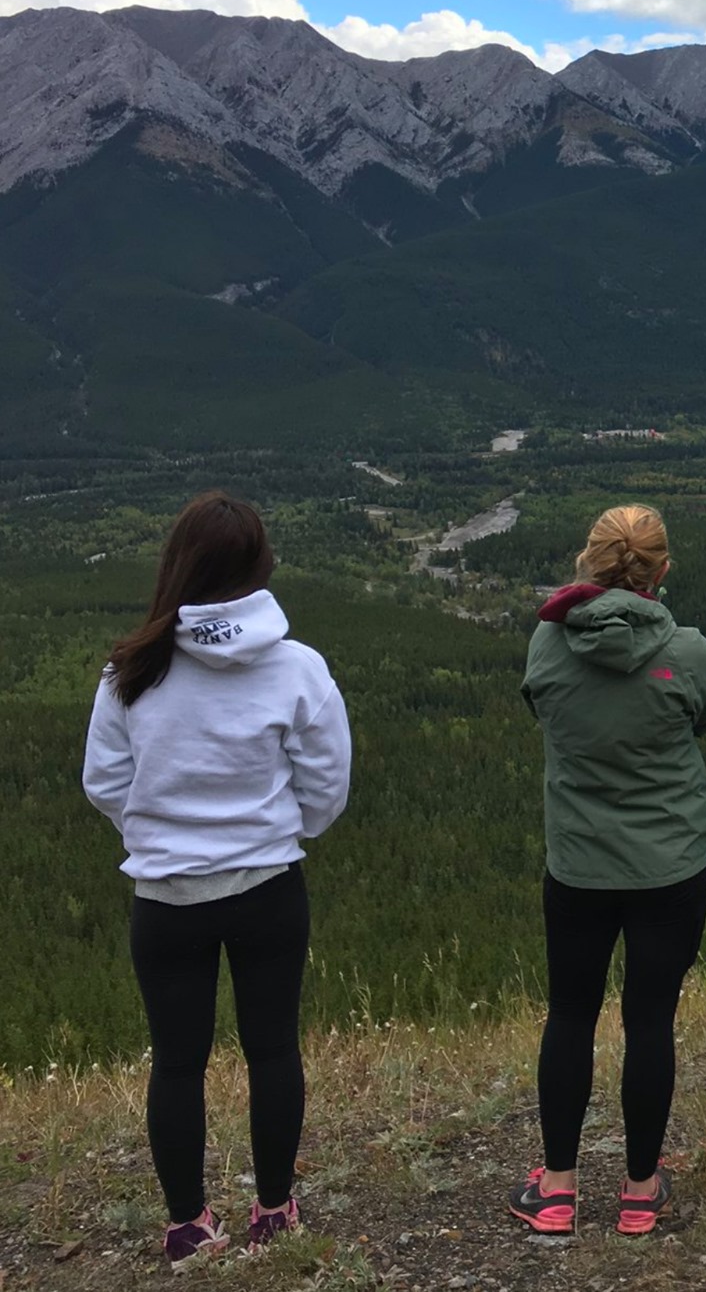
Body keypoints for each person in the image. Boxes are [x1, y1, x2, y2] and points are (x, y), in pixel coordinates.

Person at [82, 491, 352, 1268]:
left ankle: (187, 1225)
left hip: (166, 897)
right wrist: (282, 831)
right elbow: (327, 781)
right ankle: (274, 1209)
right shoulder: (298, 666)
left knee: (176, 1060)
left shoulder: (132, 669)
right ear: (258, 568)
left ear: (179, 566)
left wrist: (157, 835)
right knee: (272, 1049)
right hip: (268, 886)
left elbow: (104, 780)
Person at [507, 505, 706, 1237]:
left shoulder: (547, 643)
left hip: (579, 864)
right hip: (671, 863)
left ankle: (559, 1187)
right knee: (649, 1018)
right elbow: (704, 716)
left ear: (588, 563)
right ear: (661, 571)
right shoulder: (688, 652)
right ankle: (638, 1190)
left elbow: (542, 705)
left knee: (570, 1013)